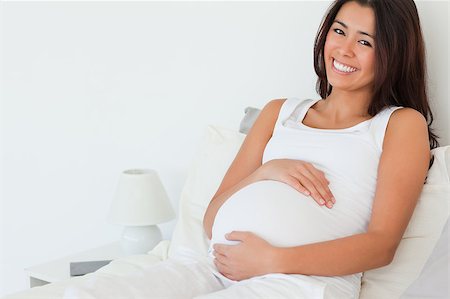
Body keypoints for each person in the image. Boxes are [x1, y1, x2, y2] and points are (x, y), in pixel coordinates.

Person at [63, 0, 439, 298]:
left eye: (365, 41)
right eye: (339, 31)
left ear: (391, 53)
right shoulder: (279, 112)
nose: (344, 49)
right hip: (215, 266)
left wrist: (274, 259)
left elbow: (381, 246)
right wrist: (265, 172)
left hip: (301, 283)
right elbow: (211, 221)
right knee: (84, 292)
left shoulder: (400, 124)